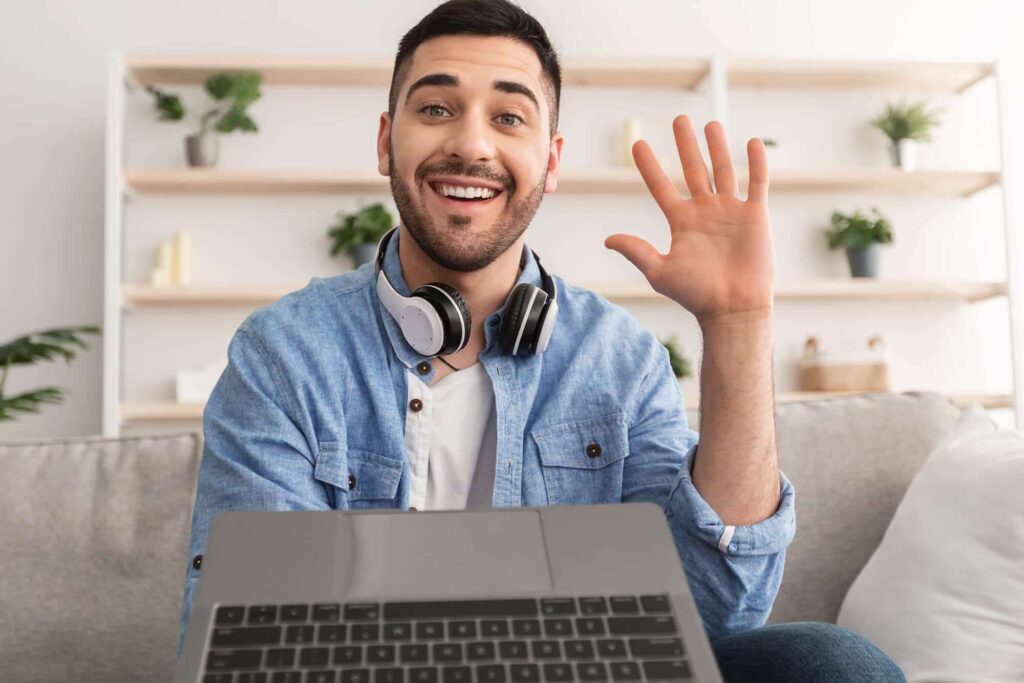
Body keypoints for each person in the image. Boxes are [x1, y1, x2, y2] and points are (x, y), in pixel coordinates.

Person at [178, 1, 905, 680]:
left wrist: (738, 326)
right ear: (384, 141)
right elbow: (246, 636)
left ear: (552, 161)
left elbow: (715, 611)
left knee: (829, 659)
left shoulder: (619, 358)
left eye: (508, 117)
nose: (470, 143)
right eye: (435, 108)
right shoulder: (284, 353)